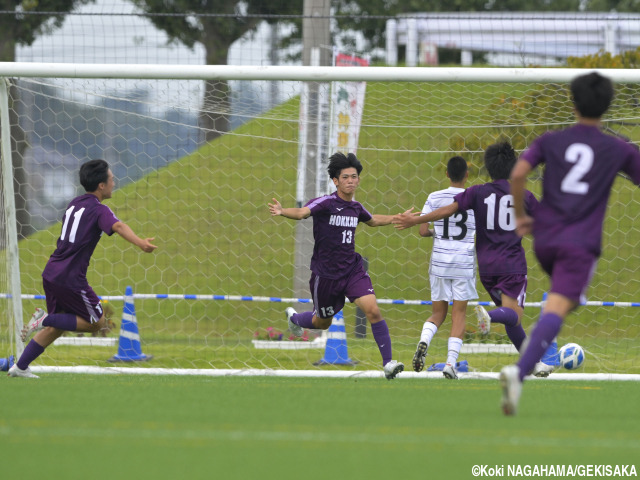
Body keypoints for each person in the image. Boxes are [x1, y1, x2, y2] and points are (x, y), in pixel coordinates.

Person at [502, 71, 640, 415]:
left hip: (545, 239)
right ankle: (519, 373)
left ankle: (528, 357)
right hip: (580, 243)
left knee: (559, 302)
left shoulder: (551, 139)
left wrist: (520, 216)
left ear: (573, 102)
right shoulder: (617, 147)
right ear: (607, 106)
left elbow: (518, 174)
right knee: (560, 307)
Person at [393, 142, 545, 376]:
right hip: (512, 265)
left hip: (486, 267)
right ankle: (488, 316)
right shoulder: (523, 195)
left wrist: (415, 220)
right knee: (514, 314)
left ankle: (532, 363)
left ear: (488, 168)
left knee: (511, 321)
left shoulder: (477, 192)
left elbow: (448, 210)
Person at [8, 159, 157, 378]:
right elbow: (118, 226)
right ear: (101, 185)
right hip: (70, 278)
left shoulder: (74, 204)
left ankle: (19, 367)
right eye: (112, 178)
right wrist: (141, 243)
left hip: (52, 272)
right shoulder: (99, 210)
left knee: (58, 327)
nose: (114, 182)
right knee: (96, 322)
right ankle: (43, 319)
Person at [268, 152, 406, 380]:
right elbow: (303, 213)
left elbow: (372, 221)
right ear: (336, 181)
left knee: (373, 310)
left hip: (352, 271)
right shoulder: (326, 202)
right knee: (321, 323)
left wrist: (395, 218)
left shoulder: (357, 208)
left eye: (354, 176)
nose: (351, 180)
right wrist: (283, 212)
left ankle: (389, 363)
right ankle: (295, 320)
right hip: (326, 276)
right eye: (346, 177)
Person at [411, 156, 477, 379]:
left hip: (439, 263)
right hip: (463, 263)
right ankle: (450, 364)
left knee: (438, 313)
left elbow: (422, 230)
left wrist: (434, 233)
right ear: (467, 174)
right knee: (459, 315)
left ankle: (423, 341)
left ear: (447, 174)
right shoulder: (473, 199)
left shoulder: (434, 197)